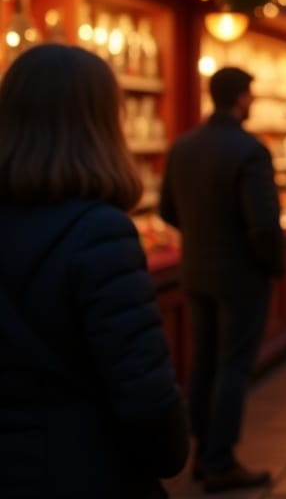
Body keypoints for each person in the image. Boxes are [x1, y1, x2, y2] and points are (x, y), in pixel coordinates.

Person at [0, 44, 188, 498]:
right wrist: (170, 451)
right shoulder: (100, 232)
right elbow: (143, 389)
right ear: (101, 124)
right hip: (80, 466)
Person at [160, 65, 285, 493]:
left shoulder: (184, 146)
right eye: (250, 94)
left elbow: (167, 210)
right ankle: (220, 459)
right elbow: (264, 223)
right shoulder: (250, 150)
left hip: (196, 271)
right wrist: (272, 265)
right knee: (233, 365)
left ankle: (201, 452)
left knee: (204, 361)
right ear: (240, 98)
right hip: (241, 275)